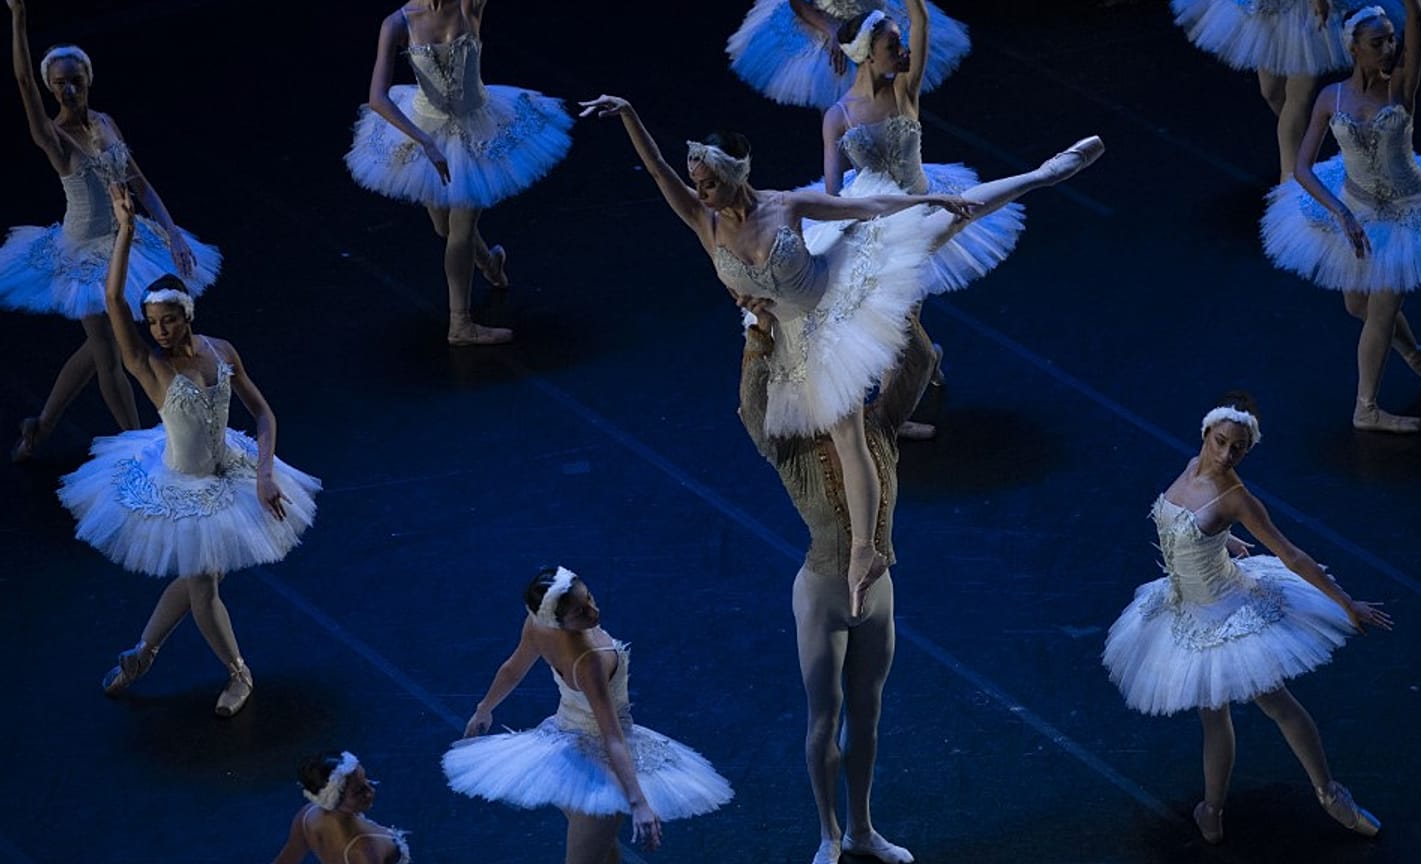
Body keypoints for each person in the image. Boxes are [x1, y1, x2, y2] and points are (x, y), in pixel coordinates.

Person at [580, 92, 1101, 617]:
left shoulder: (786, 205)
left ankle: (1044, 172)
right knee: (813, 428)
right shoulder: (704, 220)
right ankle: (863, 547)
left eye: (710, 182)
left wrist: (927, 200)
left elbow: (866, 206)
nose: (702, 191)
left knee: (944, 226)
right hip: (788, 332)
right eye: (698, 184)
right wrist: (628, 113)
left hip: (839, 295)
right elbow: (657, 172)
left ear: (737, 173)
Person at [57, 185, 320, 717]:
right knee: (203, 583)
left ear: (187, 315)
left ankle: (143, 652)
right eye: (152, 323)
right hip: (181, 485)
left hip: (230, 472)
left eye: (167, 320)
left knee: (202, 575)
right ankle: (238, 673)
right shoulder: (150, 366)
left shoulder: (222, 352)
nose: (158, 330)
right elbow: (112, 303)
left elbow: (264, 414)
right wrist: (126, 231)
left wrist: (266, 474)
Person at [1102, 393, 1393, 844]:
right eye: (1220, 442)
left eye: (1237, 449)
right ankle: (1212, 810)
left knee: (1277, 704)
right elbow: (1193, 525)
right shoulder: (1191, 467)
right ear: (1205, 435)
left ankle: (1329, 793)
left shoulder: (1237, 497)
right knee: (1212, 715)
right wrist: (1225, 541)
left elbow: (1292, 555)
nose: (1225, 455)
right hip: (1186, 610)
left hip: (1227, 611)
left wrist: (1345, 602)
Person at [739, 295, 933, 864]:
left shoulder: (879, 429)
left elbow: (917, 363)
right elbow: (751, 408)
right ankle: (827, 832)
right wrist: (759, 331)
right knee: (824, 718)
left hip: (877, 593)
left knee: (867, 717)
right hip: (823, 594)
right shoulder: (789, 447)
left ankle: (862, 828)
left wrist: (906, 305)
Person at [1261, 1, 1421, 432]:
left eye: (1390, 40)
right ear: (1354, 49)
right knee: (1355, 304)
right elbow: (1302, 168)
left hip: (1405, 214)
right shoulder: (1331, 97)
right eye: (1377, 43)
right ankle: (1415, 354)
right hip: (1355, 206)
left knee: (1379, 309)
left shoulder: (1400, 87)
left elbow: (1415, 25)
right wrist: (1340, 212)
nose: (1388, 48)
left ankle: (1367, 407)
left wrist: (1413, 9)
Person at [2, 0, 220, 460]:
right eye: (58, 83)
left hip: (127, 238)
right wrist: (20, 14)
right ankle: (139, 442)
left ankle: (40, 426)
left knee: (98, 343)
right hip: (82, 248)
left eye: (74, 81)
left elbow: (140, 183)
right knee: (111, 351)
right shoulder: (54, 138)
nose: (67, 90)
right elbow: (22, 82)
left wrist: (174, 234)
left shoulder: (105, 123)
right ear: (49, 87)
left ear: (88, 80)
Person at [817, 1, 1027, 438]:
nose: (903, 49)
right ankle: (912, 374)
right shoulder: (838, 117)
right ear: (867, 54)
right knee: (895, 317)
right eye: (892, 44)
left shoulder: (904, 91)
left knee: (904, 313)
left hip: (925, 210)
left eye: (900, 41)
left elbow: (921, 20)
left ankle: (892, 409)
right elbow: (834, 191)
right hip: (876, 223)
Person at [443, 567, 733, 864]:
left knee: (604, 855)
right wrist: (639, 802)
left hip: (561, 755)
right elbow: (612, 737)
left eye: (590, 599)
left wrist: (484, 709)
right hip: (598, 771)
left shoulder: (537, 624)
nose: (593, 611)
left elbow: (513, 670)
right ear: (556, 621)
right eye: (580, 613)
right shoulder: (589, 660)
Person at [347, 0, 573, 345]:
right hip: (426, 130)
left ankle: (461, 324)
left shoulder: (469, 6)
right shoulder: (397, 23)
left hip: (477, 127)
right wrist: (424, 142)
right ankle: (489, 263)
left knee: (461, 228)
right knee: (443, 226)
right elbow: (377, 98)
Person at [1170, 0, 1402, 181]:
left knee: (1298, 99)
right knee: (1271, 92)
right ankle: (1307, 148)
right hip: (1271, 9)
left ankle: (1290, 180)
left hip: (1307, 14)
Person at [726, 0, 969, 109]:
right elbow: (799, 3)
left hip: (873, 17)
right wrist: (832, 30)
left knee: (885, 99)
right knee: (836, 101)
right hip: (826, 22)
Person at [269, 751, 412, 864]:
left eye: (366, 780)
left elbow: (286, 861)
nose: (371, 791)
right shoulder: (365, 851)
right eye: (358, 792)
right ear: (333, 800)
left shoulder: (307, 816)